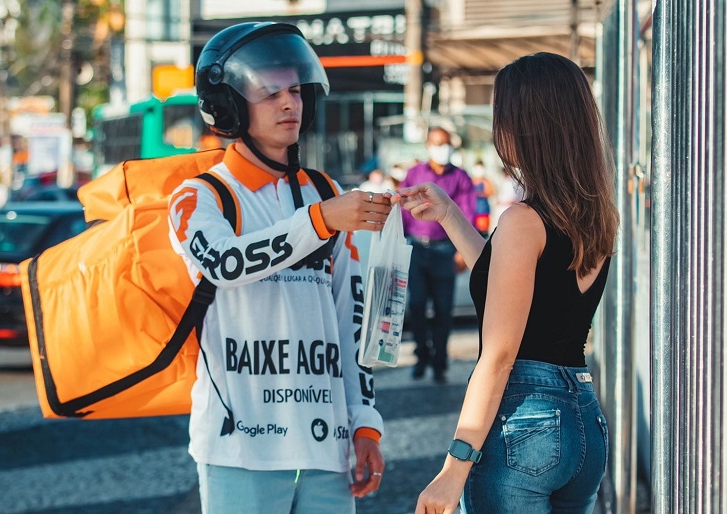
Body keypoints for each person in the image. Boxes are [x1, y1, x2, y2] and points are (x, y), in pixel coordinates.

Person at [167, 22, 390, 513]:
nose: (289, 102)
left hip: (326, 446)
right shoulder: (200, 197)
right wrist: (319, 221)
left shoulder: (327, 192)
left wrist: (365, 422)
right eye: (269, 91)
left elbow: (349, 318)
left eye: (295, 88)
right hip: (239, 445)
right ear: (228, 104)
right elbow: (224, 264)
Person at [396, 52, 619, 513]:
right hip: (582, 421)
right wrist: (449, 214)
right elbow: (511, 287)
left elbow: (498, 356)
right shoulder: (596, 213)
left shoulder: (523, 220)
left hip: (526, 420)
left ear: (525, 126)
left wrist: (454, 467)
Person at [401, 127, 476, 384]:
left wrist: (462, 251)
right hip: (417, 249)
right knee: (417, 305)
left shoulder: (460, 178)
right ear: (428, 145)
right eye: (437, 143)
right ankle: (422, 355)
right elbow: (401, 208)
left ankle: (440, 362)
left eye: (445, 144)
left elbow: (468, 214)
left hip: (445, 249)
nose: (442, 149)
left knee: (444, 310)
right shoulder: (415, 174)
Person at [470, 159, 495, 237]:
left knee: (483, 234)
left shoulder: (486, 181)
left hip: (483, 211)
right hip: (472, 212)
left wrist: (481, 193)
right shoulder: (470, 180)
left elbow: (491, 192)